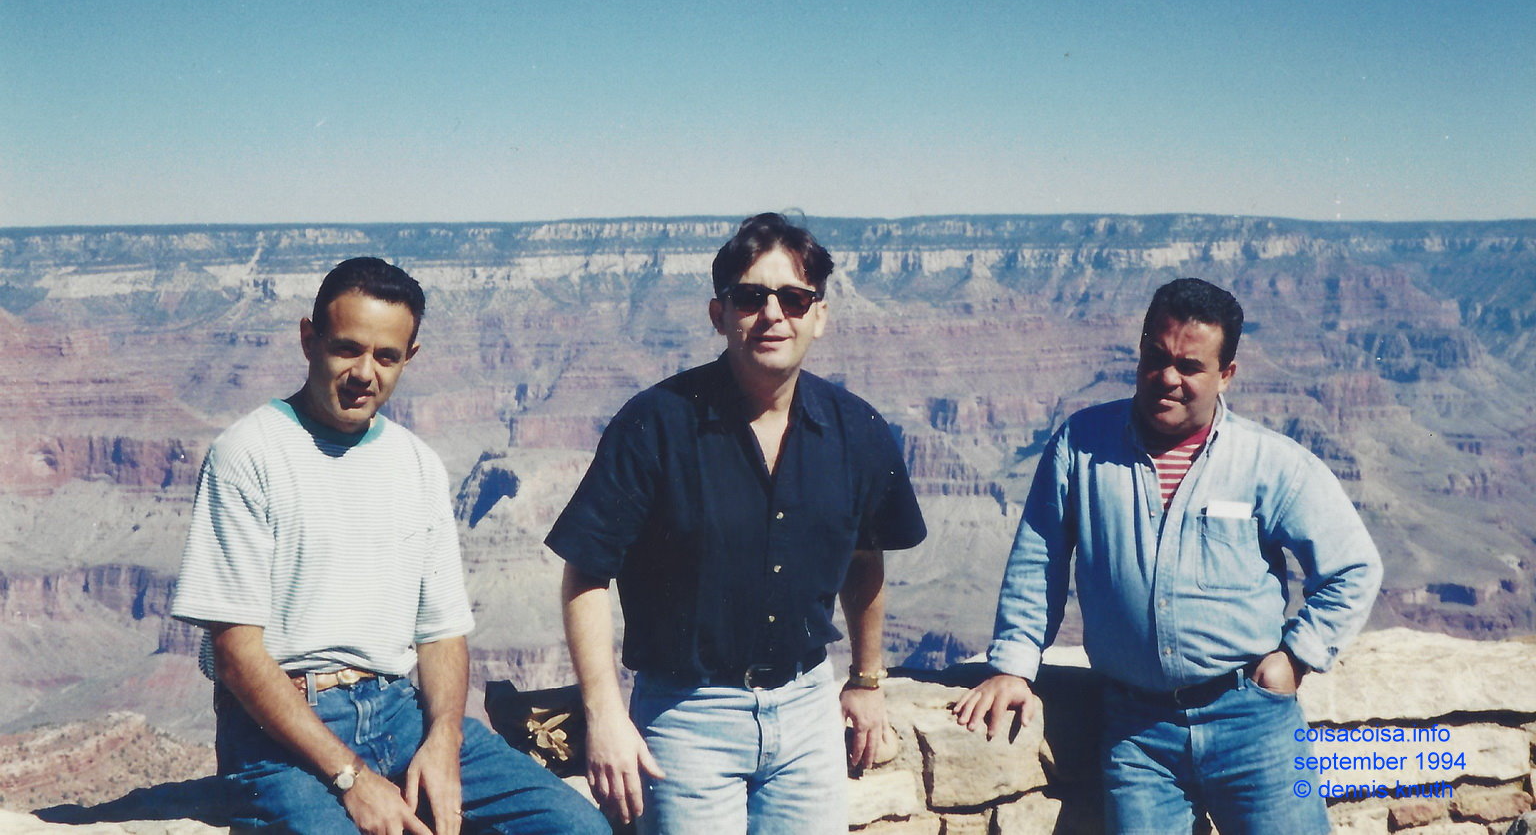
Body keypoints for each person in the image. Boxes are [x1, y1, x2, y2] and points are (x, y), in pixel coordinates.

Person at [171, 257, 606, 835]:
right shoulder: (248, 454)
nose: (364, 373)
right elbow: (236, 653)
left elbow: (442, 632)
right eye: (347, 348)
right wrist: (351, 777)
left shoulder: (416, 464)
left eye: (386, 356)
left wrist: (444, 741)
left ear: (410, 358)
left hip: (400, 713)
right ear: (308, 339)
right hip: (282, 732)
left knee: (576, 829)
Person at [953, 277, 1381, 835]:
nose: (1168, 378)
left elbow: (1353, 567)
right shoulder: (1081, 445)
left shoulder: (1271, 463)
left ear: (1226, 374)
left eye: (1190, 365)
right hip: (1136, 732)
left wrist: (1295, 659)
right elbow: (1040, 559)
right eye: (1156, 357)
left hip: (1253, 722)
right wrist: (1013, 666)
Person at [547, 212, 926, 834]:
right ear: (719, 315)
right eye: (751, 297)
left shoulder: (858, 431)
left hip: (807, 713)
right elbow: (586, 574)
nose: (773, 314)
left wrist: (866, 679)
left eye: (794, 298)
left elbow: (867, 561)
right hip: (687, 718)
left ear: (819, 316)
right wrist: (605, 711)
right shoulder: (655, 426)